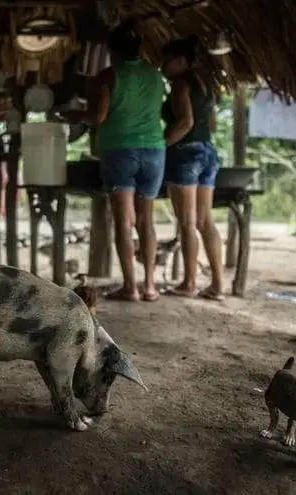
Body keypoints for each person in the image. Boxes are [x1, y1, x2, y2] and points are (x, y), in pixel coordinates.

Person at [76, 19, 166, 302]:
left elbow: (98, 116)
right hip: (154, 150)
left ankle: (131, 287)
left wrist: (75, 115)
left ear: (112, 50)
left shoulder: (108, 76)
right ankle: (150, 285)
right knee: (145, 220)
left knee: (123, 222)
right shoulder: (155, 75)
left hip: (120, 151)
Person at [161, 35, 225, 301]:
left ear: (179, 61)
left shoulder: (180, 84)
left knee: (187, 222)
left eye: (166, 61)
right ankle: (218, 286)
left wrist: (160, 145)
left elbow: (185, 123)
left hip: (185, 154)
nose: (163, 66)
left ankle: (188, 283)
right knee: (204, 221)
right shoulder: (208, 85)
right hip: (208, 152)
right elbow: (210, 125)